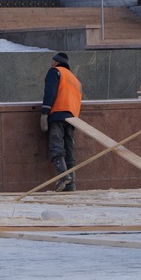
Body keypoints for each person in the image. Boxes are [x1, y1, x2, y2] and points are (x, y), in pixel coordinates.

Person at [40, 52, 82, 191]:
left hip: (58, 113)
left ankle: (64, 177)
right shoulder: (75, 79)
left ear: (57, 62)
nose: (51, 64)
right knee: (69, 149)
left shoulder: (55, 72)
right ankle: (71, 184)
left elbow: (50, 91)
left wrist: (45, 112)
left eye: (53, 61)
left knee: (56, 145)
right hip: (72, 117)